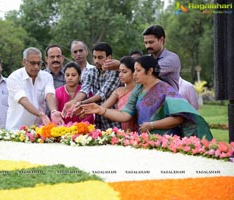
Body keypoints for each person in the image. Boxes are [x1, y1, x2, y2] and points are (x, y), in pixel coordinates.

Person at [78, 55, 213, 140]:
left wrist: (153, 125)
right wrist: (100, 110)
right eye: (134, 70)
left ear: (150, 71)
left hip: (168, 141)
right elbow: (125, 115)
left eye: (138, 71)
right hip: (145, 141)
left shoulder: (165, 89)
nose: (134, 74)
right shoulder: (138, 89)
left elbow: (179, 118)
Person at [62, 42, 121, 130]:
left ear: (109, 58)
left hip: (113, 119)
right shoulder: (91, 71)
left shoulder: (115, 73)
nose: (96, 61)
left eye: (100, 57)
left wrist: (81, 103)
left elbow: (102, 94)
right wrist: (74, 102)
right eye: (95, 57)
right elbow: (84, 89)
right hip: (97, 120)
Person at [6, 47, 63, 130]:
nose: (36, 67)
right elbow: (23, 100)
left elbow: (50, 94)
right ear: (24, 62)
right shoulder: (14, 78)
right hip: (16, 129)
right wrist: (40, 114)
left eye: (39, 63)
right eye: (33, 63)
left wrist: (53, 111)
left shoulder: (47, 77)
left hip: (39, 129)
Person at [101, 56, 138, 132]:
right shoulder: (118, 91)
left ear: (134, 72)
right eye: (119, 71)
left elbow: (129, 114)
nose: (120, 75)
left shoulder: (139, 91)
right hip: (124, 134)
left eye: (124, 72)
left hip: (139, 134)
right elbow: (103, 107)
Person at [142, 24, 181, 90]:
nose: (147, 46)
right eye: (146, 43)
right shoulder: (146, 59)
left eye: (151, 42)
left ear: (161, 40)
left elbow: (151, 71)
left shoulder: (172, 59)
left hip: (169, 99)